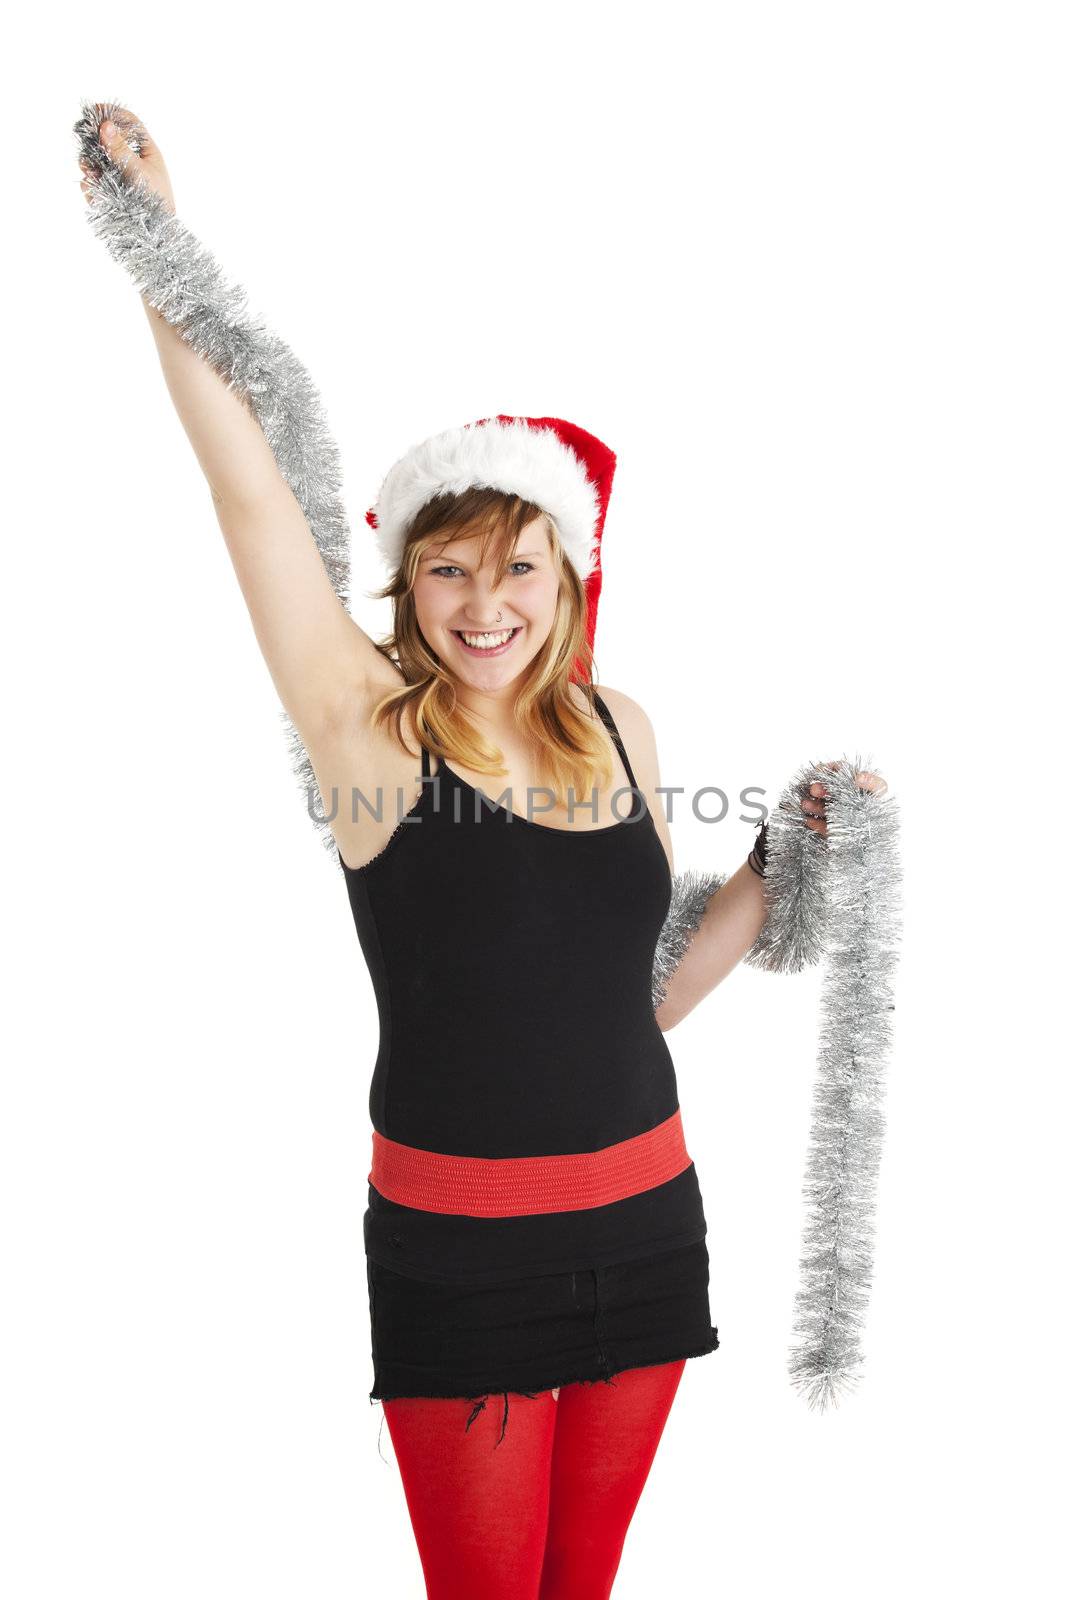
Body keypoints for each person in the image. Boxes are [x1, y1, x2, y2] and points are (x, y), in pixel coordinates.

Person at [79, 107, 885, 1600]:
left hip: (651, 1214)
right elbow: (249, 490)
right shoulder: (366, 735)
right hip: (464, 1252)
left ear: (568, 578)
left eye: (520, 564)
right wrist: (154, 240)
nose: (485, 599)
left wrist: (789, 861)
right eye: (449, 566)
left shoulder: (623, 729)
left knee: (584, 1588)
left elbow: (633, 993)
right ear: (412, 583)